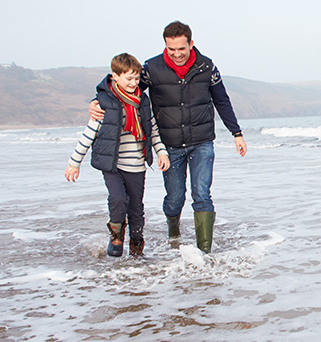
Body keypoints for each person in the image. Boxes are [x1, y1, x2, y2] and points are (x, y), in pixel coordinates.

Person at [90, 21, 247, 253]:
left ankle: (205, 255)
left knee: (202, 194)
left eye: (181, 49)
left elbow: (222, 100)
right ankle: (173, 234)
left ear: (191, 44)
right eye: (171, 49)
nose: (176, 54)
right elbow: (124, 86)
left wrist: (237, 133)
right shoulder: (152, 68)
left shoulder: (207, 67)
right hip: (170, 145)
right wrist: (97, 99)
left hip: (202, 142)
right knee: (175, 199)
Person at [67, 53, 170, 257]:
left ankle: (136, 245)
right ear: (115, 76)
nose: (134, 83)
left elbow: (153, 130)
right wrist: (74, 163)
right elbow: (89, 134)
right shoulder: (105, 104)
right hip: (112, 164)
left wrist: (161, 152)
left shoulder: (143, 101)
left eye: (136, 78)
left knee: (136, 209)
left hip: (137, 164)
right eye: (128, 78)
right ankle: (116, 235)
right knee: (118, 199)